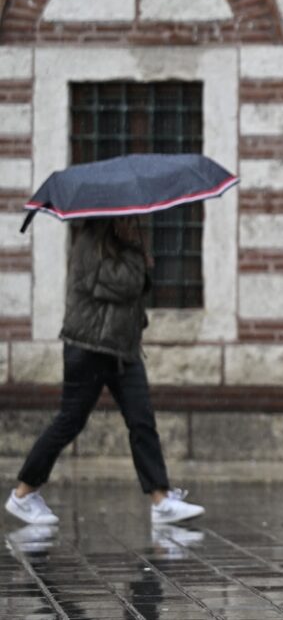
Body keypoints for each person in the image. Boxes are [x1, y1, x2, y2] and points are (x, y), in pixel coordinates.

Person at [5, 217, 204, 525]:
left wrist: (136, 255)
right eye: (125, 220)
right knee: (69, 421)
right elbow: (122, 284)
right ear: (111, 219)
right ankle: (23, 494)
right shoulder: (89, 244)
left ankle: (160, 499)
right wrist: (139, 259)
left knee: (142, 421)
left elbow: (131, 286)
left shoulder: (123, 246)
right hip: (88, 349)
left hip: (122, 350)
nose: (131, 224)